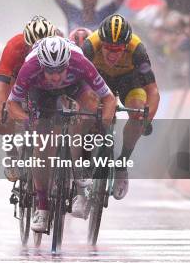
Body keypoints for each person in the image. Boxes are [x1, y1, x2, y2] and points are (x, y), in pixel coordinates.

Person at [7, 36, 116, 231]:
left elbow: (108, 98)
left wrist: (102, 123)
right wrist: (27, 121)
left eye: (60, 70)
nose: (56, 76)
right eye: (50, 71)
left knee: (90, 107)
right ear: (42, 65)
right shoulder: (30, 68)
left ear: (68, 63)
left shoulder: (80, 62)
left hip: (74, 86)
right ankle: (42, 208)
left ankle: (80, 168)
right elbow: (12, 104)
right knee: (42, 145)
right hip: (40, 92)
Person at [83, 14, 160, 200]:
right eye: (108, 48)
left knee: (138, 110)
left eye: (117, 50)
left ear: (126, 46)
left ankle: (122, 164)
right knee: (87, 112)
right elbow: (77, 82)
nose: (112, 54)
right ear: (101, 43)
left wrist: (146, 119)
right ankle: (85, 158)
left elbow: (153, 91)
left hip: (129, 81)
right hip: (99, 79)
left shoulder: (137, 49)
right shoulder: (90, 45)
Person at [0, 16, 57, 180]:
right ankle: (12, 155)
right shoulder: (14, 47)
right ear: (26, 42)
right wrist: (2, 116)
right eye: (32, 46)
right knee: (8, 112)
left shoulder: (58, 47)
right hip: (18, 80)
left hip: (44, 82)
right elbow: (1, 85)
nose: (36, 51)